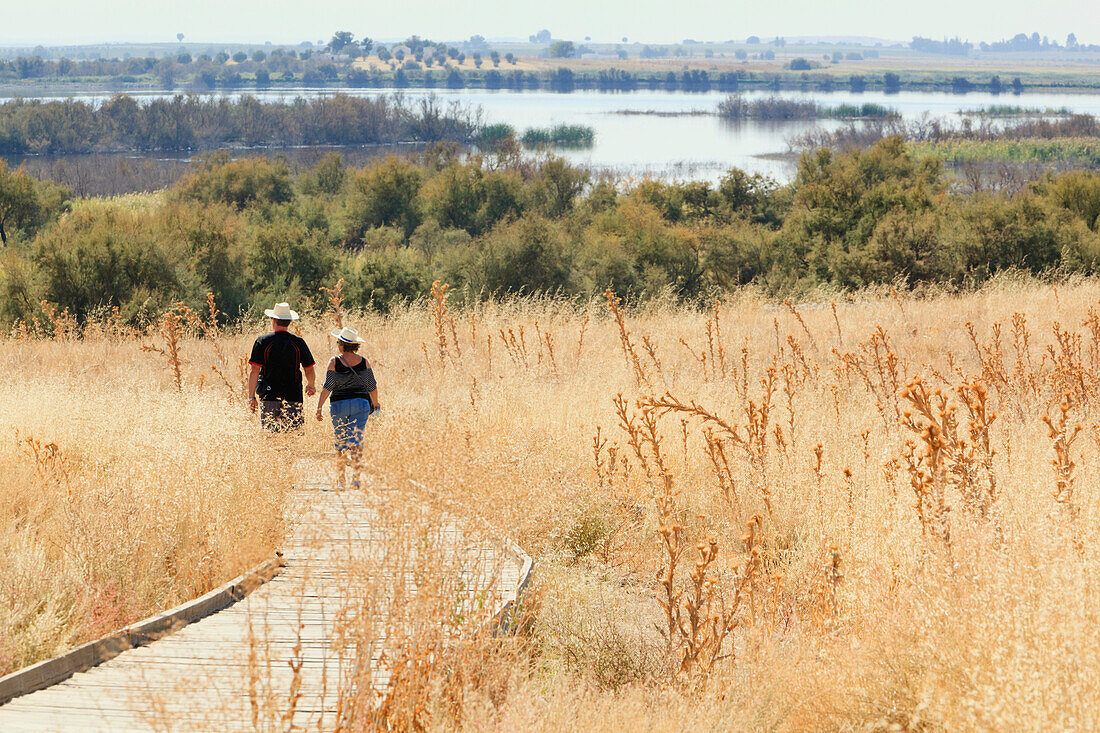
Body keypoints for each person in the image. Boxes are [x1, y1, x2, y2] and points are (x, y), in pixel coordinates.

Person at [315, 326, 380, 489]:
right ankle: (356, 479)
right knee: (357, 441)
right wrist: (376, 403)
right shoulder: (364, 361)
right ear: (356, 345)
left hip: (339, 404)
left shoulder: (334, 361)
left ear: (341, 345)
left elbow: (328, 387)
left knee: (341, 440)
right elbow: (372, 385)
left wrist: (319, 407)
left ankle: (341, 479)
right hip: (361, 403)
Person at [247, 302, 316, 432]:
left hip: (269, 395)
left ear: (273, 320)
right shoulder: (298, 342)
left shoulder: (263, 341)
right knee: (292, 435)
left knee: (270, 435)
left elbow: (254, 370)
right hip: (293, 395)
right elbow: (309, 369)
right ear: (289, 321)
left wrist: (251, 397)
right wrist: (311, 385)